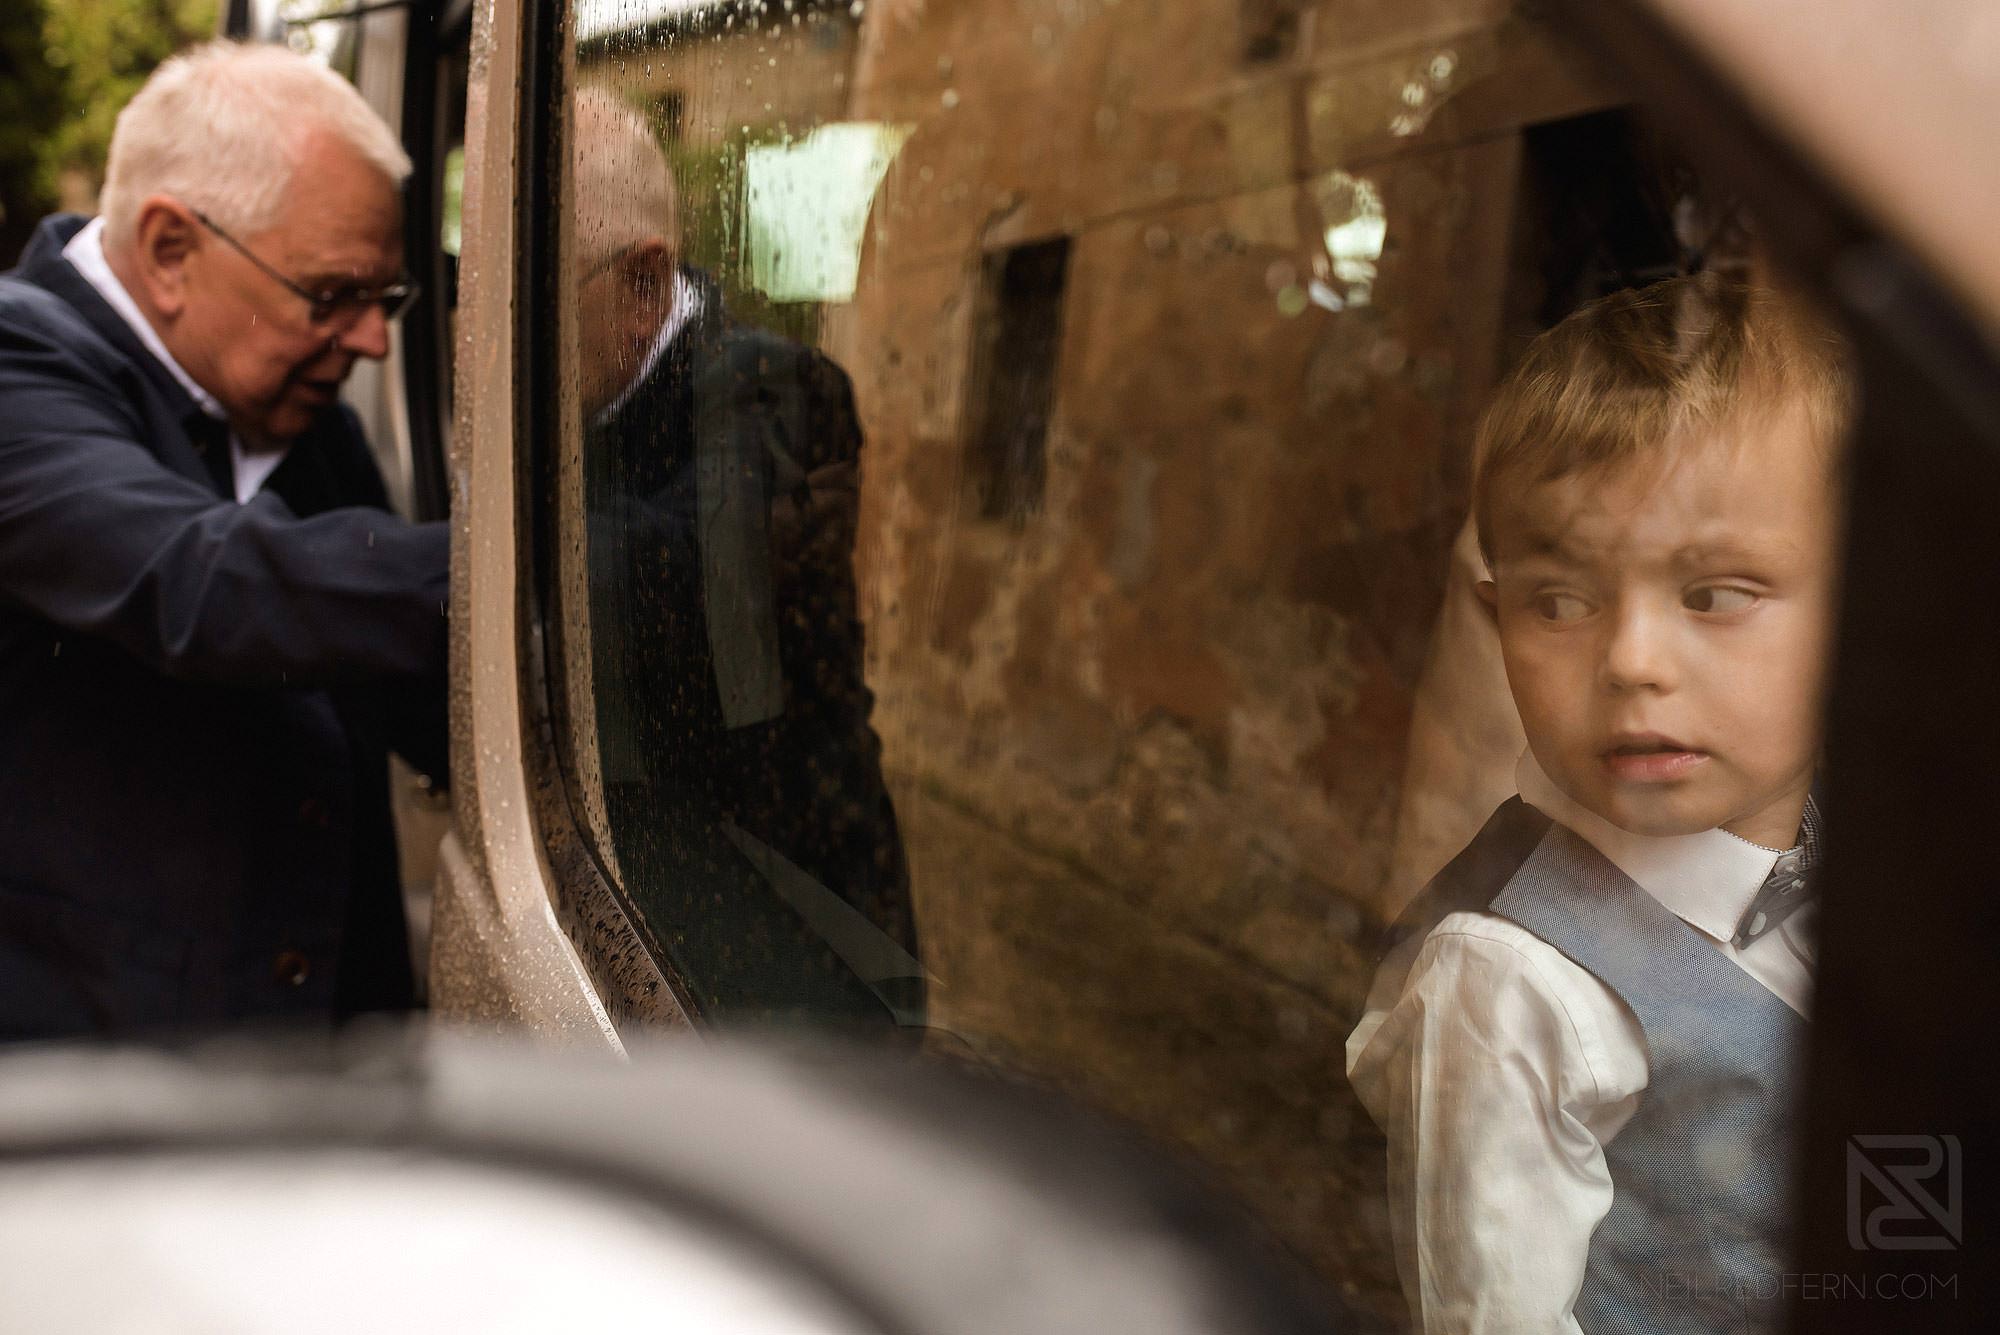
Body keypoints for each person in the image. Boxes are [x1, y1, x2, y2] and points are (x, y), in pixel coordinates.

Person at [1346, 275, 1850, 1333]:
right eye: (1559, 602)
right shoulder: (1509, 980)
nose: (1628, 662)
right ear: (1495, 619)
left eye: (1712, 595)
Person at [0, 42, 449, 1038]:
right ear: (169, 251)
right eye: (333, 296)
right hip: (92, 1118)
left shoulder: (295, 406)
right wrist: (551, 572)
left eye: (385, 299)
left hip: (318, 1099)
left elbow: (405, 679)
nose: (373, 340)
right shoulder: (16, 367)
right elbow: (205, 583)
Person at [571, 88, 922, 1027]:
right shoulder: (584, 404)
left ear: (644, 285)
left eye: (532, 308)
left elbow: (656, 574)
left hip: (791, 955)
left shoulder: (777, 394)